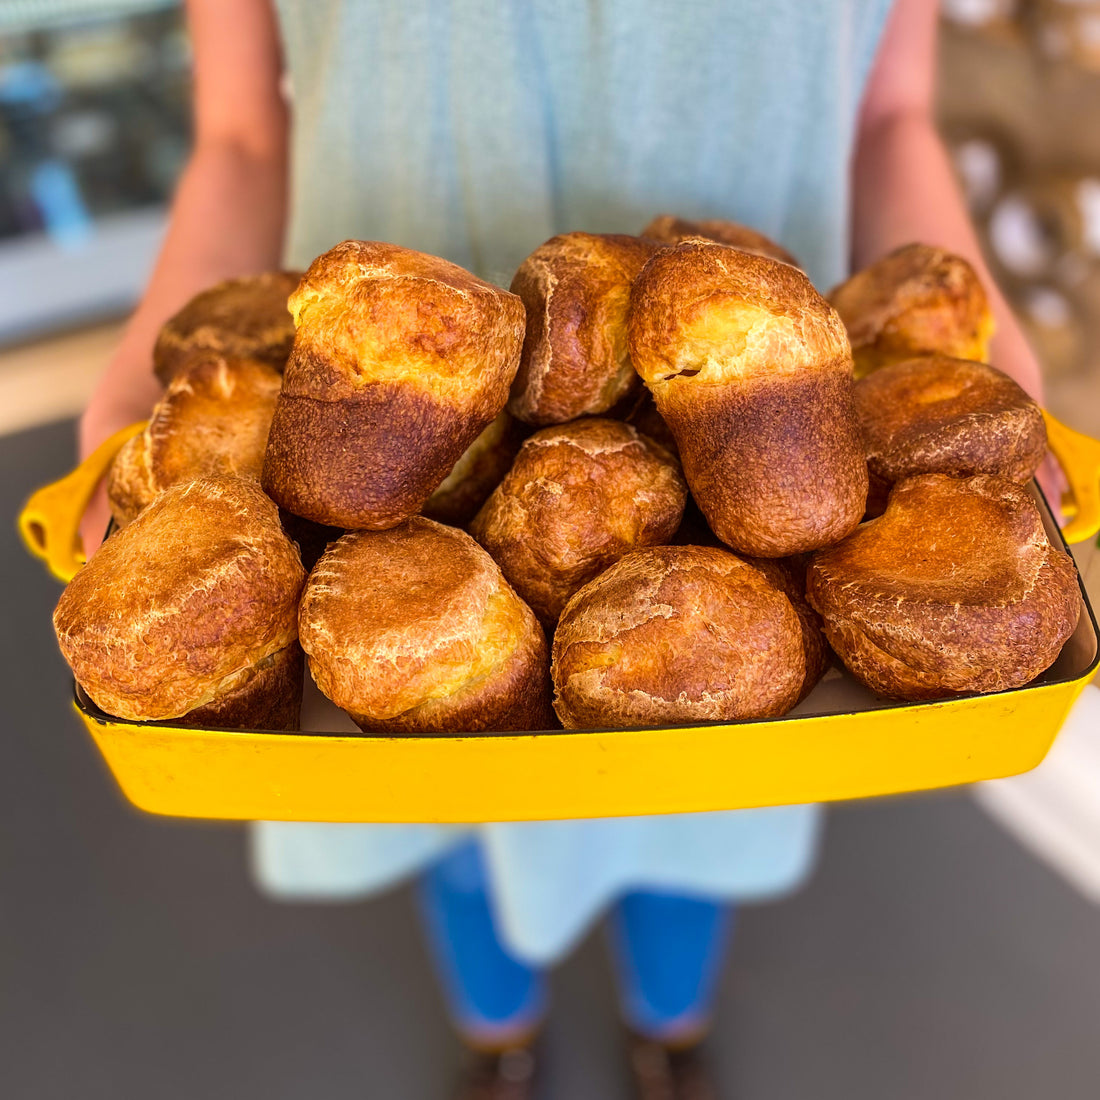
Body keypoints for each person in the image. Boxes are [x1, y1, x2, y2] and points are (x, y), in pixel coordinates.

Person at [78, 2, 1054, 1096]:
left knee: (700, 771)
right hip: (369, 379)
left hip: (767, 351)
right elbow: (242, 133)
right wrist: (148, 358)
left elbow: (891, 113)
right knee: (439, 797)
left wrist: (984, 349)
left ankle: (666, 1023)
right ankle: (501, 1034)